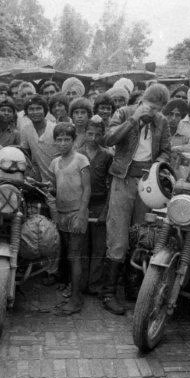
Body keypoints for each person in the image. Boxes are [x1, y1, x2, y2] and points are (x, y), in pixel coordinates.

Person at [100, 83, 171, 315]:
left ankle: (132, 287)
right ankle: (108, 292)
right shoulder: (124, 113)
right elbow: (108, 139)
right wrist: (133, 121)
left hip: (147, 185)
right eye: (150, 107)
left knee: (141, 234)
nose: (153, 113)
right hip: (122, 180)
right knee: (118, 236)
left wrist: (155, 167)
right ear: (142, 101)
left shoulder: (162, 121)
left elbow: (166, 150)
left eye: (157, 109)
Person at [49, 122, 91, 315]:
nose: (63, 143)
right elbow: (53, 187)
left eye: (67, 139)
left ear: (74, 141)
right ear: (55, 141)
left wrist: (82, 213)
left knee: (75, 256)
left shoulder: (81, 160)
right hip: (62, 213)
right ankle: (72, 291)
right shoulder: (55, 162)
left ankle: (76, 300)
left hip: (76, 213)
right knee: (68, 254)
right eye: (59, 139)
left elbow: (87, 189)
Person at [79, 115, 112, 295]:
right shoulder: (77, 154)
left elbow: (111, 185)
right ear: (84, 134)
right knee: (82, 247)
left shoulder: (107, 155)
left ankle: (95, 285)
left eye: (97, 135)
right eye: (89, 134)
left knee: (99, 248)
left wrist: (105, 210)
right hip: (81, 205)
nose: (93, 138)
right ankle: (81, 284)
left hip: (100, 204)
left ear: (103, 135)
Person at [20, 94, 59, 183]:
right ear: (26, 112)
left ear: (44, 110)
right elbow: (26, 154)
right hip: (41, 180)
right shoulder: (26, 129)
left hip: (60, 177)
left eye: (38, 108)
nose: (35, 112)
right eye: (31, 109)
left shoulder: (55, 128)